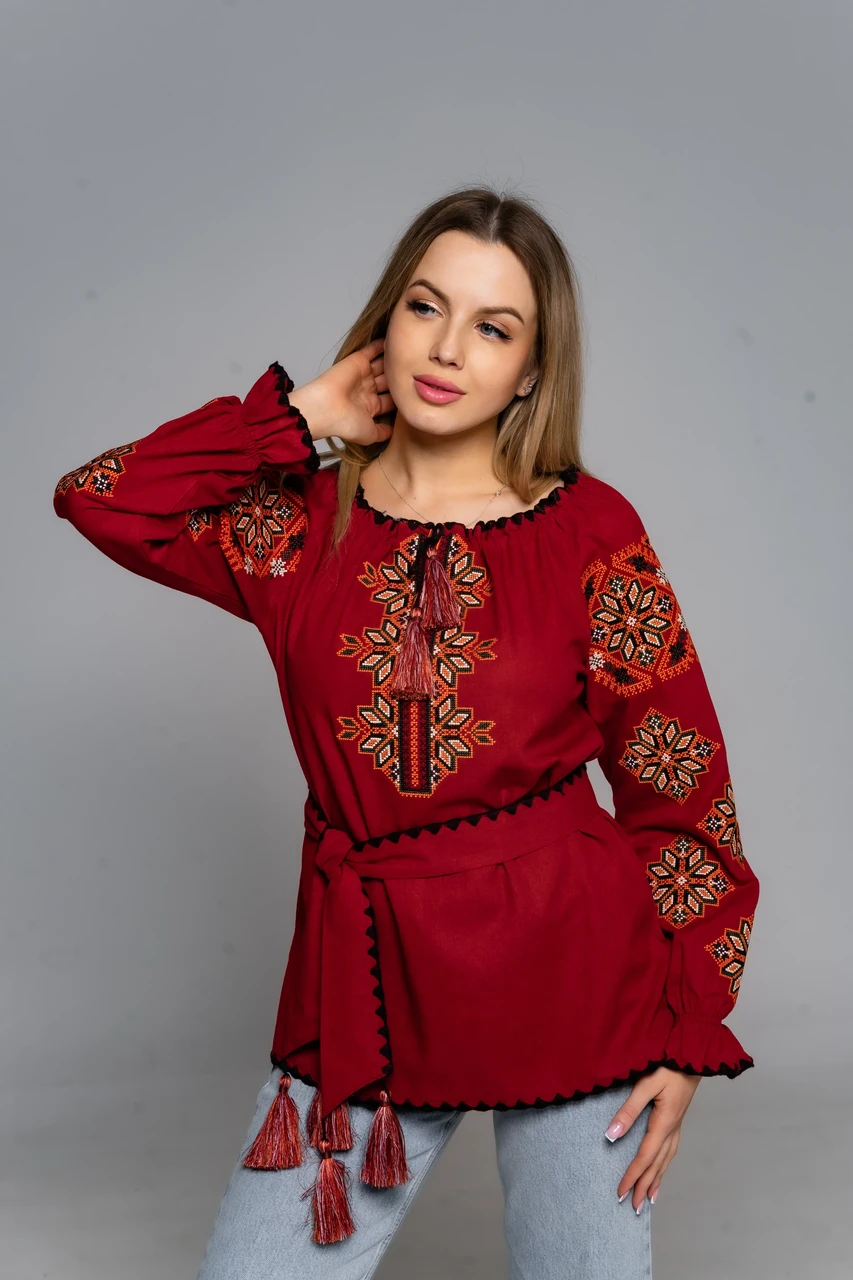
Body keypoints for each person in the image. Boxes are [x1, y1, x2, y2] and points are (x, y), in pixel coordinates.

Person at [52, 186, 760, 1280]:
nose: (447, 349)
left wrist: (687, 1022)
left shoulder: (589, 530)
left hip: (579, 977)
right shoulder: (298, 523)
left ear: (530, 370)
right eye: (425, 307)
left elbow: (681, 780)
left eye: (493, 327)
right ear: (386, 319)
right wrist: (298, 419)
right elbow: (102, 497)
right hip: (366, 982)